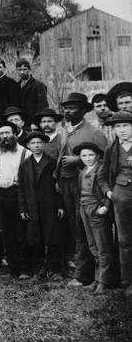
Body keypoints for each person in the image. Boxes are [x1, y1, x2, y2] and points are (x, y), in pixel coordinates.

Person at [57, 92, 109, 285]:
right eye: (66, 108)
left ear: (83, 110)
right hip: (68, 185)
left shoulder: (94, 132)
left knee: (87, 229)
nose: (68, 111)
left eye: (72, 108)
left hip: (88, 188)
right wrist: (58, 181)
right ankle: (82, 271)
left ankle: (89, 275)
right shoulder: (67, 130)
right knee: (76, 228)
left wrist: (77, 160)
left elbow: (104, 160)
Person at [18, 131, 65, 281]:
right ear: (28, 146)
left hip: (49, 205)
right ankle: (38, 269)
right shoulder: (25, 165)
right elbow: (21, 188)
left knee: (52, 237)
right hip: (32, 206)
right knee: (35, 238)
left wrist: (60, 206)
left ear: (43, 144)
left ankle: (55, 269)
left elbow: (58, 186)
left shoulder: (51, 162)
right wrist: (23, 208)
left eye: (39, 142)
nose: (36, 146)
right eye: (33, 143)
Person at [71, 142, 116, 293]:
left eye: (91, 155)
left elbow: (107, 187)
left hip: (97, 209)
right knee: (93, 246)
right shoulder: (82, 171)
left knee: (103, 246)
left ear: (97, 156)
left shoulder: (101, 169)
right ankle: (97, 279)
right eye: (84, 155)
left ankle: (104, 281)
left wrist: (106, 206)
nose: (88, 158)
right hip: (85, 209)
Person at [0, 120, 31, 278]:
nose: (4, 136)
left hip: (18, 195)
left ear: (15, 134)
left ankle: (25, 268)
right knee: (6, 232)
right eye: (1, 134)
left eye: (7, 133)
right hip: (1, 195)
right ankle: (13, 269)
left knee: (21, 232)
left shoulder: (25, 153)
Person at [97, 110, 132, 297]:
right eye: (118, 126)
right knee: (125, 241)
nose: (122, 130)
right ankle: (127, 282)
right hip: (121, 198)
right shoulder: (112, 149)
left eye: (126, 125)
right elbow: (102, 176)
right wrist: (109, 193)